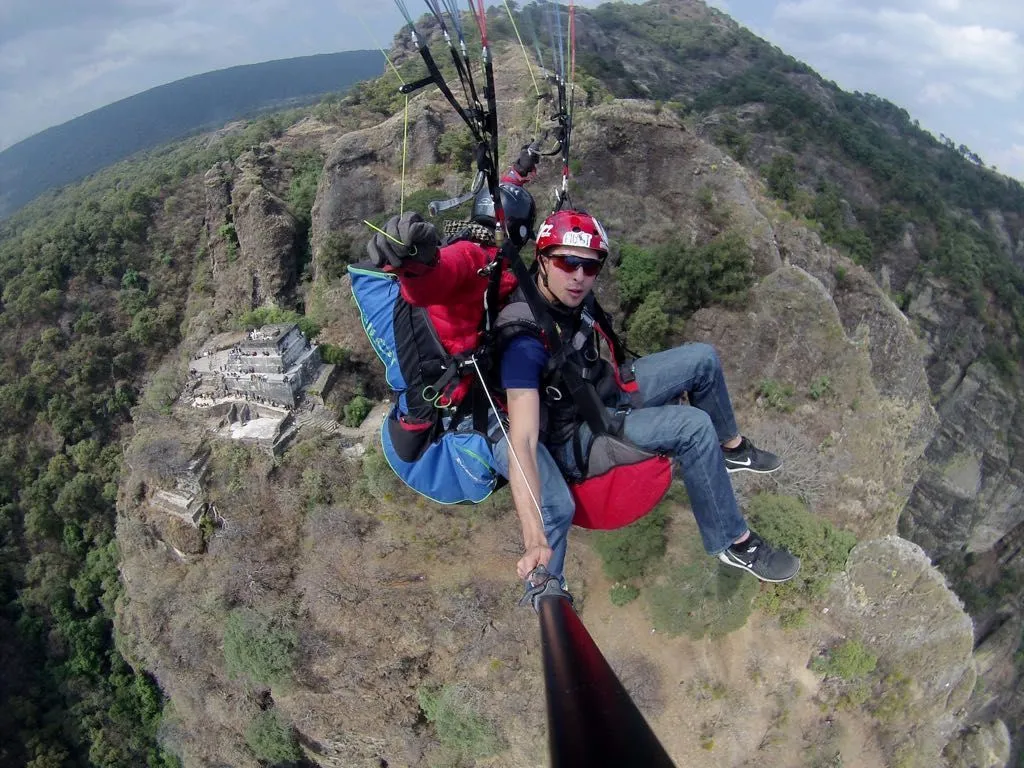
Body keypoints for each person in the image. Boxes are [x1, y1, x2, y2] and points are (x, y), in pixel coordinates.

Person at [492, 209, 801, 585]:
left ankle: (731, 448)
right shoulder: (524, 342)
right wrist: (534, 537)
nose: (578, 277)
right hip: (580, 438)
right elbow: (521, 442)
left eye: (590, 268)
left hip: (600, 392)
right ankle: (733, 541)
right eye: (567, 262)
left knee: (702, 358)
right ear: (541, 260)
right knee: (693, 426)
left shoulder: (569, 300)